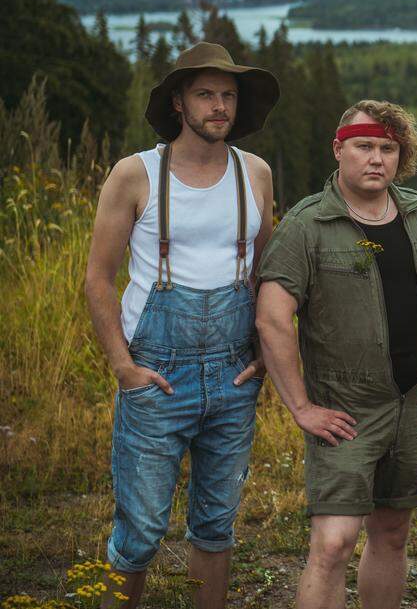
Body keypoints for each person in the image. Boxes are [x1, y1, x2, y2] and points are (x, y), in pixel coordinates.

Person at [85, 42, 279, 609]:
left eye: (228, 95)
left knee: (217, 526)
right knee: (140, 532)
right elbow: (98, 279)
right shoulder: (136, 174)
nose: (219, 106)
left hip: (233, 372)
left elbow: (271, 272)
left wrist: (267, 351)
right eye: (205, 94)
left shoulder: (256, 173)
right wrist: (124, 367)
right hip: (156, 372)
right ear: (178, 103)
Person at [255, 99, 417, 609]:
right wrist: (302, 407)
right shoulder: (307, 225)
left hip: (412, 402)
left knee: (392, 533)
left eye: (387, 149)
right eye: (364, 146)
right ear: (339, 150)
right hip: (345, 408)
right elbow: (271, 317)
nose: (376, 159)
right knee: (332, 544)